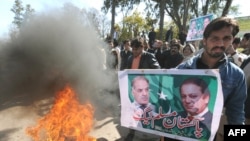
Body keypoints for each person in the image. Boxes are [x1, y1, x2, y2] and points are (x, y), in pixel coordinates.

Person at [174, 17, 247, 141]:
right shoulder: (182, 69)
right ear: (205, 41)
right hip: (178, 134)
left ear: (232, 40)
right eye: (215, 38)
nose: (220, 44)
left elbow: (237, 117)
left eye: (226, 38)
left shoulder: (236, 75)